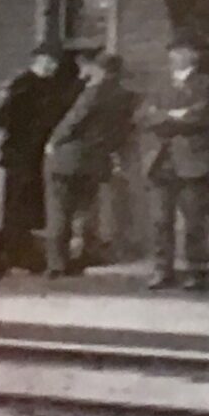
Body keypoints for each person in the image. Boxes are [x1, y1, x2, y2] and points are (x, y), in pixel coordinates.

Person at [42, 50, 135, 277]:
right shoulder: (126, 97)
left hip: (69, 157)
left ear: (100, 69)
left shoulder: (93, 92)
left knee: (58, 210)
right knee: (84, 211)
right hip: (97, 160)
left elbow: (74, 120)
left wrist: (53, 141)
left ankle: (57, 263)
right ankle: (80, 256)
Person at [141, 37, 209, 290]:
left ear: (193, 54)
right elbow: (144, 115)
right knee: (160, 220)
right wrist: (175, 116)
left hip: (192, 160)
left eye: (180, 51)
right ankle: (162, 270)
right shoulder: (159, 84)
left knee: (194, 220)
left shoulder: (206, 84)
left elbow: (200, 116)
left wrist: (165, 117)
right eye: (172, 51)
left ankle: (196, 271)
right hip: (161, 160)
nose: (174, 56)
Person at [0, 46, 79, 274]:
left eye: (55, 62)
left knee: (34, 207)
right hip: (21, 155)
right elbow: (6, 117)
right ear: (37, 60)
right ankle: (14, 255)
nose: (52, 66)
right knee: (17, 207)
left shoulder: (53, 87)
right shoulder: (23, 85)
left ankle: (29, 255)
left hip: (37, 155)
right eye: (48, 61)